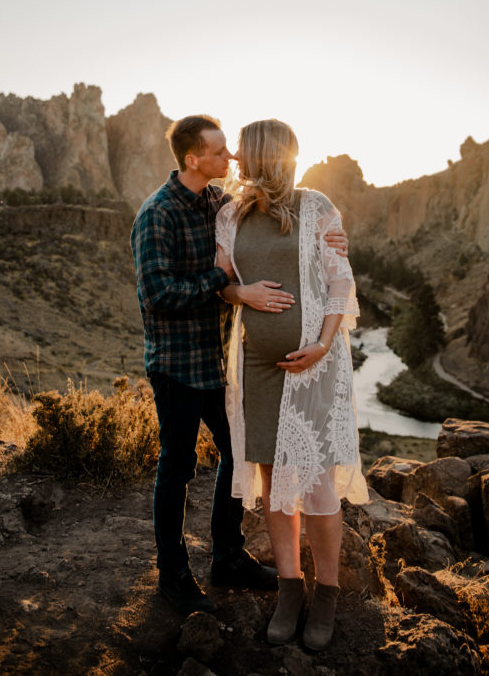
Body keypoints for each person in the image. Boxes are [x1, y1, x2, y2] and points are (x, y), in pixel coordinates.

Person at [130, 115, 348, 617]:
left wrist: (335, 242)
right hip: (178, 363)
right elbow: (157, 294)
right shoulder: (157, 214)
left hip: (221, 366)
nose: (230, 158)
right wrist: (221, 281)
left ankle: (227, 557)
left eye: (233, 149)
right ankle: (173, 573)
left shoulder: (221, 203)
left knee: (238, 457)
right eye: (220, 150)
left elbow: (287, 234)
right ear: (193, 158)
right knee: (177, 466)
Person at [216, 119, 368, 651]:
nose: (234, 156)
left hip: (315, 364)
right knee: (273, 482)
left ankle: (326, 593)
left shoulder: (317, 207)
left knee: (318, 483)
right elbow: (223, 282)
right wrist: (245, 295)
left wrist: (324, 346)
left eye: (242, 149)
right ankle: (289, 588)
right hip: (257, 367)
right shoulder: (230, 214)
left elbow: (340, 281)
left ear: (263, 156)